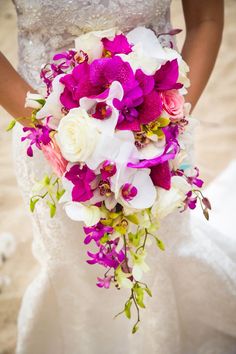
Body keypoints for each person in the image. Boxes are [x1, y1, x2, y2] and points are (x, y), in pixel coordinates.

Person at [1, 1, 236, 353]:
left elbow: (205, 19)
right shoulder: (52, 139)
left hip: (157, 133)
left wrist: (167, 123)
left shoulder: (161, 130)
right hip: (49, 139)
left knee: (162, 250)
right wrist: (56, 134)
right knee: (72, 264)